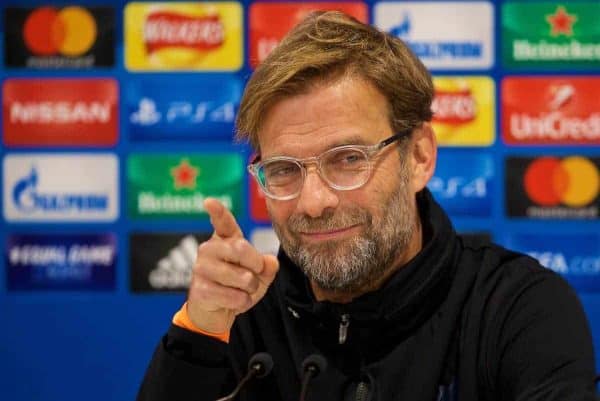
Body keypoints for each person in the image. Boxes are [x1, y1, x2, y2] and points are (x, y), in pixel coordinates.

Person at [137, 11, 597, 401]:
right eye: (284, 170)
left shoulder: (517, 307)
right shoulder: (239, 317)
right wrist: (199, 334)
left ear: (418, 157)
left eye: (348, 160)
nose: (313, 203)